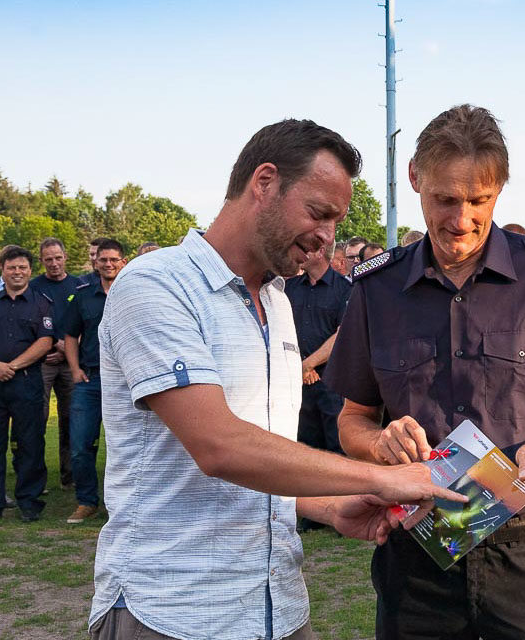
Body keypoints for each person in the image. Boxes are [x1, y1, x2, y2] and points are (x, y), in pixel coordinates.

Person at [88, 118, 463, 639]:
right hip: (174, 610)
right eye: (318, 213)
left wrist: (330, 508)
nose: (327, 238)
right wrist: (384, 477)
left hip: (276, 608)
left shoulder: (276, 300)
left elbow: (264, 463)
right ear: (263, 183)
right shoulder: (155, 285)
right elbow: (220, 446)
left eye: (337, 221)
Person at [325, 104, 525, 639]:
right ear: (414, 179)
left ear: (500, 188)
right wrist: (379, 442)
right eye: (444, 199)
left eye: (479, 201)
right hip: (417, 557)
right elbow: (352, 420)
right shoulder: (376, 289)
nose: (460, 220)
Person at [0, 245, 54, 525]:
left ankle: (29, 502)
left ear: (30, 270)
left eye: (22, 267)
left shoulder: (42, 303)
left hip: (26, 384)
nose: (17, 272)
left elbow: (45, 342)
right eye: (11, 267)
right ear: (2, 271)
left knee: (29, 443)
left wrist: (12, 366)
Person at [61, 239, 126, 524]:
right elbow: (70, 336)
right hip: (90, 379)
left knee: (126, 446)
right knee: (80, 444)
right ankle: (87, 502)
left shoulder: (134, 290)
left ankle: (122, 503)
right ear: (95, 262)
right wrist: (74, 369)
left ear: (123, 261)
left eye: (114, 259)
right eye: (103, 260)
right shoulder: (83, 294)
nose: (108, 264)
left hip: (125, 383)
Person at [284, 245, 353, 457]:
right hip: (296, 383)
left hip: (331, 384)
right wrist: (302, 366)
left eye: (306, 249)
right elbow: (282, 329)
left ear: (321, 252)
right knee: (303, 449)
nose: (300, 254)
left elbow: (342, 335)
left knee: (336, 448)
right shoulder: (289, 288)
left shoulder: (345, 288)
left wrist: (308, 364)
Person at [30, 237, 83, 489]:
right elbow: (27, 323)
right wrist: (51, 345)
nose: (53, 263)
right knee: (36, 419)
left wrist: (67, 348)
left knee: (70, 418)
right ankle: (36, 477)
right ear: (41, 261)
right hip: (42, 362)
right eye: (48, 259)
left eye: (57, 258)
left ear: (65, 257)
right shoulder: (33, 288)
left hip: (71, 362)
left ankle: (69, 475)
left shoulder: (78, 285)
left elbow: (86, 322)